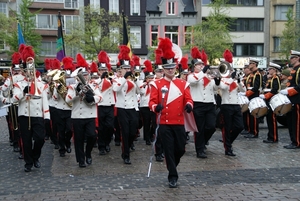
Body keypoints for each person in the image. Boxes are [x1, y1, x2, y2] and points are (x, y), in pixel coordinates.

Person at [149, 37, 193, 188]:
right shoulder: (156, 84)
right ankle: (172, 175)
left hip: (179, 122)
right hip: (164, 123)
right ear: (163, 68)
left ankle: (172, 164)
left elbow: (189, 99)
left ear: (176, 67)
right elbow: (151, 103)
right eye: (167, 68)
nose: (170, 70)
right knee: (168, 149)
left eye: (172, 67)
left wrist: (188, 105)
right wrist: (156, 108)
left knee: (180, 148)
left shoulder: (183, 83)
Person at [10, 46, 50, 172]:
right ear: (24, 71)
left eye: (32, 70)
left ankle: (35, 156)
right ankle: (28, 162)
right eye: (28, 70)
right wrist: (23, 92)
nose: (30, 72)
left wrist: (47, 117)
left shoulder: (41, 85)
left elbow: (45, 100)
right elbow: (13, 100)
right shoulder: (19, 84)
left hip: (37, 115)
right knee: (26, 141)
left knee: (39, 139)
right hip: (24, 115)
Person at [65, 54, 102, 167]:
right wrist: (76, 92)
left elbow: (100, 97)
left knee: (92, 136)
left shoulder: (93, 86)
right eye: (82, 75)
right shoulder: (72, 87)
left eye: (85, 75)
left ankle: (88, 153)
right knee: (79, 139)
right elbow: (67, 100)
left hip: (89, 115)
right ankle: (81, 160)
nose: (84, 77)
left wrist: (92, 98)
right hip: (77, 116)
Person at [187, 47, 217, 159]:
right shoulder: (191, 76)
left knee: (211, 126)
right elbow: (194, 82)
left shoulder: (208, 76)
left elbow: (215, 88)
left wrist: (217, 80)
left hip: (210, 103)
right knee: (199, 128)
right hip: (198, 104)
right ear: (194, 66)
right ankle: (200, 150)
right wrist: (203, 73)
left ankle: (203, 142)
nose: (201, 66)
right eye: (199, 64)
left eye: (202, 64)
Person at [112, 45, 140, 165]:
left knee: (133, 131)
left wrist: (136, 80)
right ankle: (126, 154)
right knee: (125, 131)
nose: (127, 70)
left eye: (129, 68)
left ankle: (128, 148)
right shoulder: (118, 79)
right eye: (125, 68)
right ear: (120, 70)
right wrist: (124, 78)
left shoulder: (133, 80)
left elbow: (141, 92)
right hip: (122, 108)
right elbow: (116, 89)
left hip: (133, 108)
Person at [52, 57, 74, 157]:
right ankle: (62, 148)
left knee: (69, 129)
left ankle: (68, 143)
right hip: (60, 109)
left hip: (70, 109)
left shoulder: (73, 83)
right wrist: (57, 89)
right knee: (61, 130)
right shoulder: (58, 83)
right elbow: (54, 98)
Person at [96, 51, 115, 155]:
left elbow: (116, 88)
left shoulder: (111, 79)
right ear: (98, 71)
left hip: (110, 105)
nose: (103, 71)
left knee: (110, 127)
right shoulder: (96, 80)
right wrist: (102, 79)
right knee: (101, 127)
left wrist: (110, 79)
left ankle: (107, 142)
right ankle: (101, 146)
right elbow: (96, 88)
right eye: (101, 69)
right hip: (100, 105)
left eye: (105, 69)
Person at [280, 50, 300, 149]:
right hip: (291, 99)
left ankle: (297, 142)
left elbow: (299, 86)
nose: (291, 59)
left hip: (297, 99)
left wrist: (289, 91)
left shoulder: (299, 69)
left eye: (292, 58)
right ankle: (293, 141)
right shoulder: (293, 70)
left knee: (296, 122)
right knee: (291, 122)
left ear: (297, 58)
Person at [260, 62, 281, 143]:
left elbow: (275, 90)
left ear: (274, 70)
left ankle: (274, 137)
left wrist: (265, 96)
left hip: (272, 100)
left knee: (272, 119)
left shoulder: (276, 78)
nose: (268, 70)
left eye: (270, 69)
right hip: (268, 100)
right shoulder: (270, 78)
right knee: (269, 119)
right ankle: (270, 136)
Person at [241, 58, 262, 138]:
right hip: (249, 96)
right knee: (249, 115)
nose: (249, 65)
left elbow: (256, 87)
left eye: (250, 64)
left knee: (253, 115)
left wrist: (247, 93)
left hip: (254, 96)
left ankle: (255, 132)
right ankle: (250, 130)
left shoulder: (257, 74)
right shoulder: (251, 74)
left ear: (254, 64)